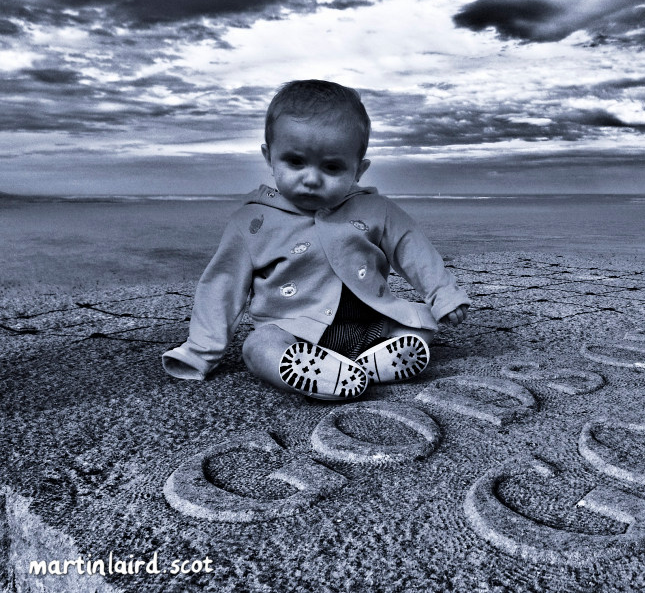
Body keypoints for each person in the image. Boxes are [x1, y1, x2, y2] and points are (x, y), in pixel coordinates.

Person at [162, 80, 469, 400]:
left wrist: (443, 294)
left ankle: (376, 363)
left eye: (332, 167)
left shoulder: (375, 209)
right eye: (295, 162)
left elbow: (412, 247)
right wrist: (200, 351)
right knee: (257, 346)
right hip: (293, 334)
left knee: (423, 321)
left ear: (358, 170)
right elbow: (222, 286)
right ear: (269, 157)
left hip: (371, 327)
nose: (311, 178)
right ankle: (321, 377)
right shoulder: (252, 222)